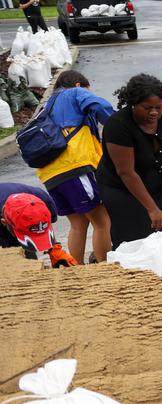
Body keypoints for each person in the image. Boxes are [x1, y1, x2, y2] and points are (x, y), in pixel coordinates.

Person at [95, 74, 162, 251]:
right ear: (133, 104)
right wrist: (151, 209)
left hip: (156, 185)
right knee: (135, 239)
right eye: (147, 108)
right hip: (122, 189)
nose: (154, 112)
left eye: (158, 107)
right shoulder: (118, 126)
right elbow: (126, 172)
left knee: (160, 235)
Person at [36, 70, 114, 264]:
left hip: (50, 174)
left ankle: (77, 271)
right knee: (102, 221)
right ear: (78, 85)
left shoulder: (45, 107)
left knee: (79, 224)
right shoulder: (74, 93)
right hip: (74, 167)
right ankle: (105, 269)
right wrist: (120, 126)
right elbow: (101, 108)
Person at [0, 185, 77, 267]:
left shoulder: (45, 201)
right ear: (4, 222)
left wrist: (55, 249)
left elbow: (46, 227)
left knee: (29, 254)